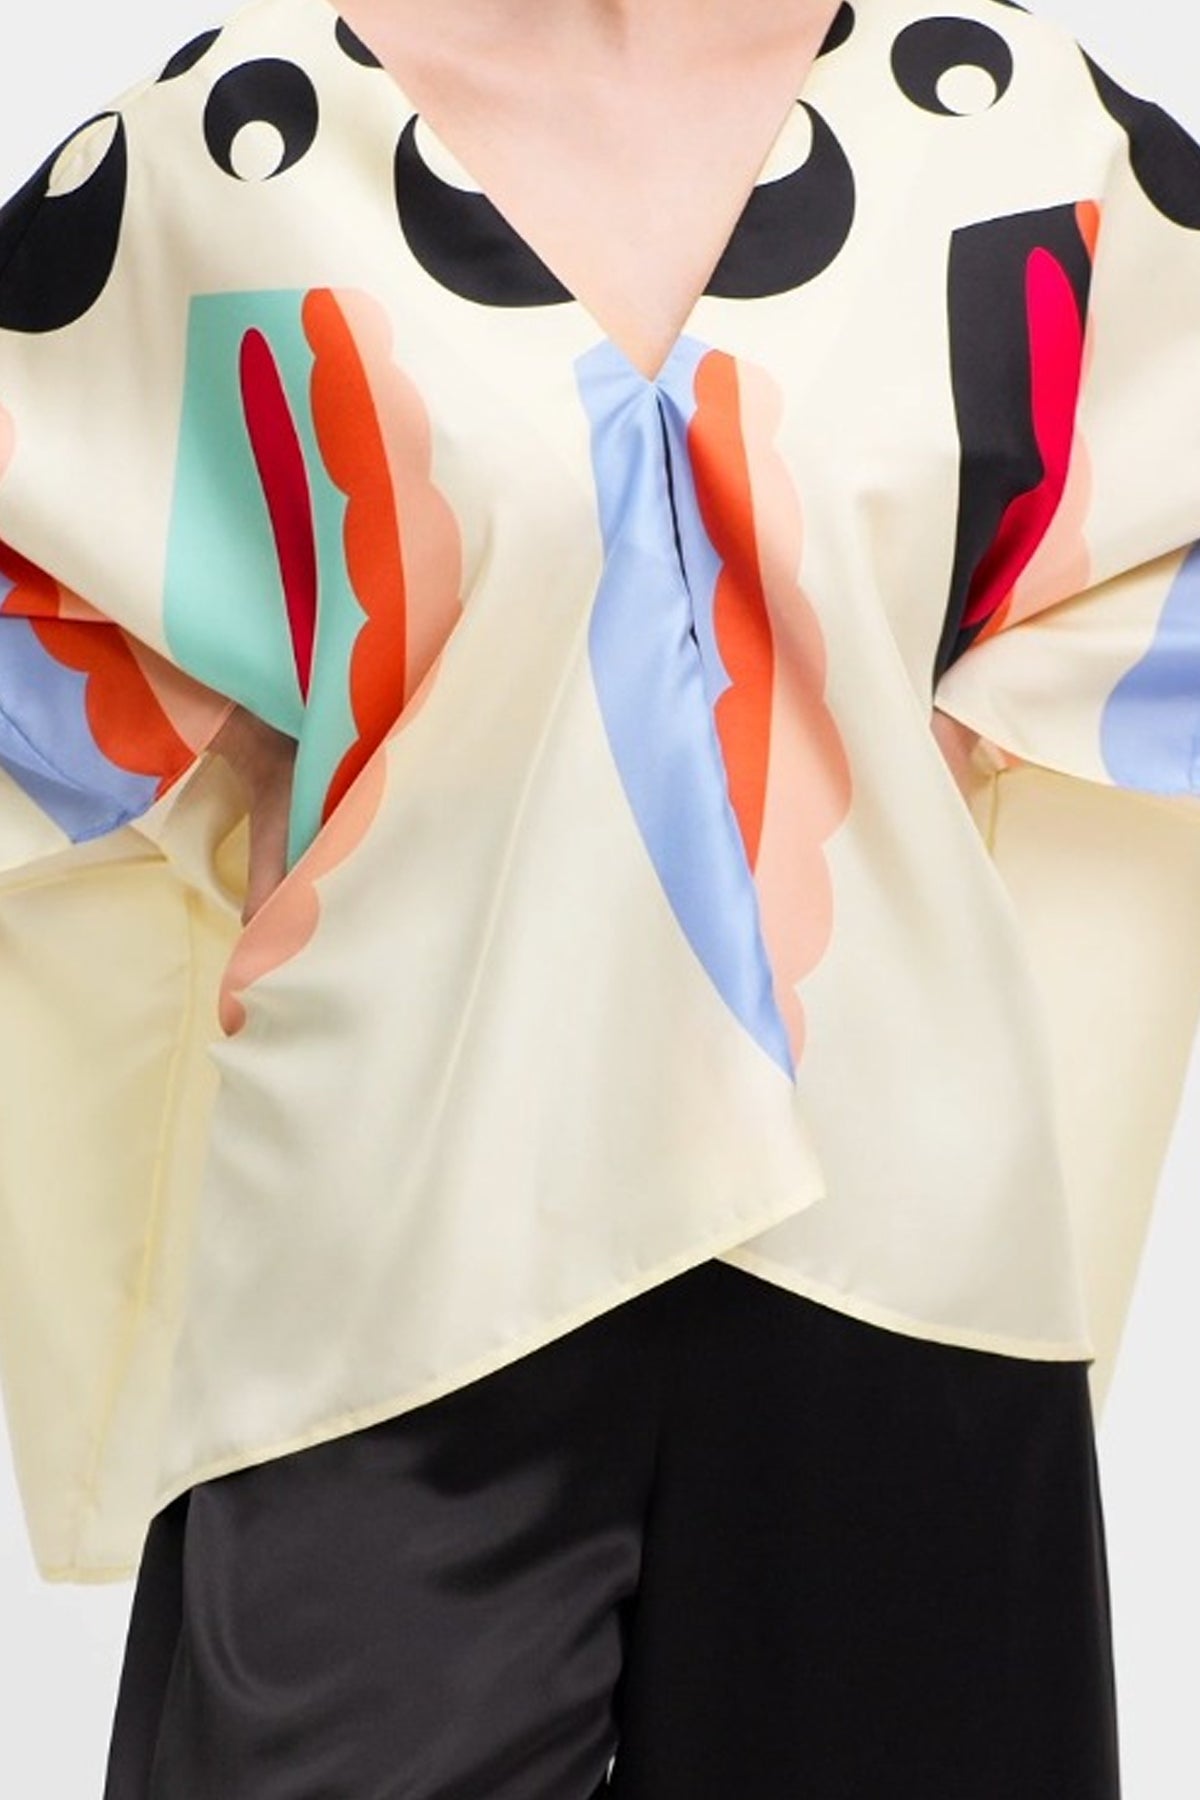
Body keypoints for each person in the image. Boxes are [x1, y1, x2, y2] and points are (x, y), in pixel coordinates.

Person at [1, 0, 1198, 1790]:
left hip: (894, 1255)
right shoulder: (236, 148)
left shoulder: (1019, 134)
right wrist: (254, 727)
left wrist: (953, 718)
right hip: (389, 1258)